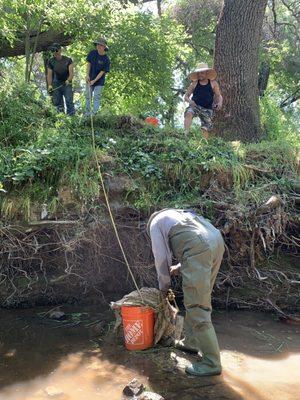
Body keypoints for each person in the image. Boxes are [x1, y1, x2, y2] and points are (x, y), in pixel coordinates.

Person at [147, 208, 224, 377]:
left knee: (197, 306)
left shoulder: (154, 225)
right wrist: (181, 267)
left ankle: (212, 363)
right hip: (216, 240)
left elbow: (161, 259)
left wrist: (163, 288)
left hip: (201, 245)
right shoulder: (177, 215)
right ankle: (191, 342)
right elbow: (201, 240)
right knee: (199, 297)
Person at [184, 62, 222, 139]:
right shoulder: (194, 84)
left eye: (202, 73)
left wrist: (220, 102)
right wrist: (190, 101)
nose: (200, 75)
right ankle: (185, 135)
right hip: (195, 106)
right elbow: (186, 96)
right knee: (189, 113)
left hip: (207, 109)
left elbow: (219, 95)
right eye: (198, 73)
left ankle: (203, 144)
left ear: (206, 73)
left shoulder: (213, 83)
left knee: (205, 127)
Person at [47, 43, 75, 116]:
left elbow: (71, 74)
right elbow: (49, 75)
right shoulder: (51, 61)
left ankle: (71, 117)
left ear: (60, 50)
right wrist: (50, 85)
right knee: (58, 102)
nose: (55, 53)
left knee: (69, 100)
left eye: (56, 50)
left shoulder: (68, 60)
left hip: (67, 83)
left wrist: (68, 80)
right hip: (56, 84)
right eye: (53, 51)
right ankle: (61, 119)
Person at [85, 37, 110, 116]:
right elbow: (88, 64)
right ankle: (87, 113)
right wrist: (87, 75)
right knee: (88, 96)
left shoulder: (106, 59)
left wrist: (94, 81)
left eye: (101, 45)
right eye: (97, 44)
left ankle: (94, 114)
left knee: (96, 97)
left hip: (99, 81)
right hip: (90, 78)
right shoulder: (92, 53)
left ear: (104, 47)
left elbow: (102, 73)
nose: (98, 46)